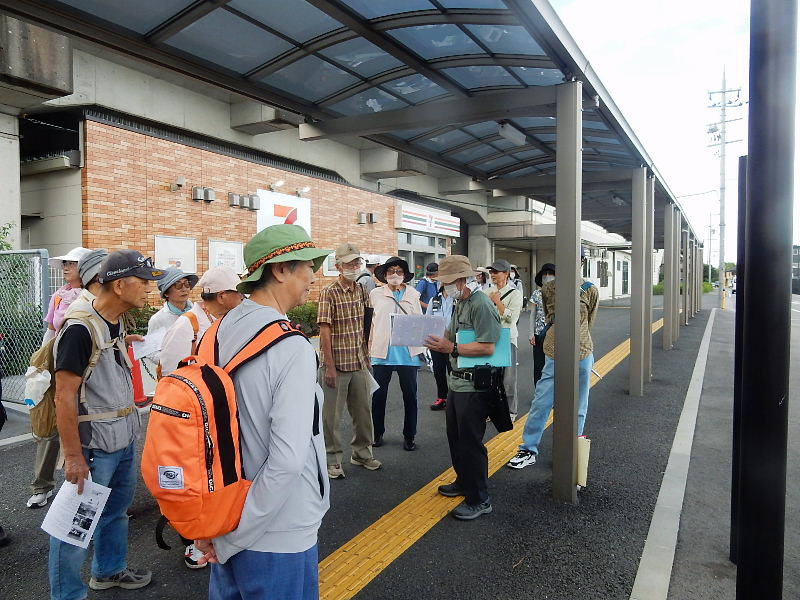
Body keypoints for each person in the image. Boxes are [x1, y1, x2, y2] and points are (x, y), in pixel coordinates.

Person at [193, 224, 330, 600]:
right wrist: (236, 537)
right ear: (281, 269)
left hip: (224, 510)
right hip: (278, 526)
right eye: (308, 266)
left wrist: (222, 534)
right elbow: (287, 460)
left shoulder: (215, 332)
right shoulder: (291, 347)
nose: (312, 277)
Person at [50, 250, 165, 598]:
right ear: (119, 285)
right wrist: (73, 457)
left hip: (122, 437)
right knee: (74, 526)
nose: (149, 288)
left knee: (115, 512)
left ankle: (109, 571)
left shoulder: (114, 320)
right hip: (93, 446)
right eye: (143, 281)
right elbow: (63, 397)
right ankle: (67, 595)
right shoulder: (79, 329)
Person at [507, 248, 599, 470]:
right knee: (542, 400)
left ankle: (570, 450)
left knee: (579, 404)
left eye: (577, 259)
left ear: (582, 262)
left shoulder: (590, 289)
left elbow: (590, 320)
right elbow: (550, 317)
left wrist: (578, 334)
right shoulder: (548, 289)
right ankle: (528, 449)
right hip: (554, 349)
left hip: (582, 350)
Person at [424, 255, 501, 520]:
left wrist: (452, 347)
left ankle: (479, 499)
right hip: (457, 381)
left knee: (470, 442)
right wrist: (434, 340)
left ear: (461, 280)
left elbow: (488, 347)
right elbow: (450, 335)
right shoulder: (461, 302)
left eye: (447, 282)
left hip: (474, 385)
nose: (444, 287)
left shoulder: (481, 304)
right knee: (456, 437)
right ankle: (464, 481)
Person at [27, 246, 91, 509]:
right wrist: (40, 365)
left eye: (71, 263)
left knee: (87, 429)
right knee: (51, 427)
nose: (66, 267)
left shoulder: (94, 296)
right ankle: (41, 486)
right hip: (58, 366)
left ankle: (89, 491)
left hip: (87, 370)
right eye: (64, 263)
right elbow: (51, 332)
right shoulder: (58, 296)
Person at [318, 243, 381, 480]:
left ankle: (362, 453)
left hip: (359, 361)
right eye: (349, 263)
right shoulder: (329, 292)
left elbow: (366, 324)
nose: (354, 267)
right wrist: (329, 367)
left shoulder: (361, 289)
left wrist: (367, 356)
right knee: (331, 417)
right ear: (338, 266)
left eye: (357, 262)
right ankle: (332, 459)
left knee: (363, 413)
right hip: (336, 364)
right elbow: (324, 331)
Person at [369, 256, 424, 451]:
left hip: (408, 353)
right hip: (381, 352)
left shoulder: (413, 294)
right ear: (384, 275)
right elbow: (370, 324)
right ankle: (377, 433)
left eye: (399, 271)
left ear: (404, 275)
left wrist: (422, 347)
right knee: (378, 396)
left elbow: (419, 322)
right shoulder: (375, 294)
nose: (395, 274)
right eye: (391, 271)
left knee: (410, 396)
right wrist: (367, 349)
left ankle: (409, 435)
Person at [158, 266, 243, 378]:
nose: (242, 298)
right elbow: (171, 375)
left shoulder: (230, 320)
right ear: (221, 297)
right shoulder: (186, 325)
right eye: (239, 293)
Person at [142, 267, 199, 381]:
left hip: (197, 372)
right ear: (166, 293)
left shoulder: (198, 313)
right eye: (178, 285)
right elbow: (151, 351)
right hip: (172, 377)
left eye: (186, 284)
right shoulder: (158, 319)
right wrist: (170, 359)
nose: (184, 289)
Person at [486, 259, 523, 420]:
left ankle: (510, 411)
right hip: (489, 339)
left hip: (508, 339)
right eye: (491, 271)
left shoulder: (515, 294)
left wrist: (497, 302)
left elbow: (512, 319)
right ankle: (490, 410)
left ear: (507, 274)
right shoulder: (486, 292)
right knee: (489, 377)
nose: (492, 274)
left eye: (496, 271)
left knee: (508, 378)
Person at [427, 283, 454, 411]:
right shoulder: (434, 300)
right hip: (436, 340)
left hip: (451, 340)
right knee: (438, 371)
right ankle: (442, 397)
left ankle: (454, 399)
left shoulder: (457, 300)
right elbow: (428, 318)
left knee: (452, 370)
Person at [529, 263, 556, 386]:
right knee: (539, 365)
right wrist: (531, 334)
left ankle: (553, 392)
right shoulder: (536, 293)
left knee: (553, 365)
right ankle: (539, 391)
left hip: (555, 334)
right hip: (539, 334)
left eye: (551, 273)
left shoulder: (561, 293)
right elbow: (532, 315)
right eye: (545, 274)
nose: (547, 276)